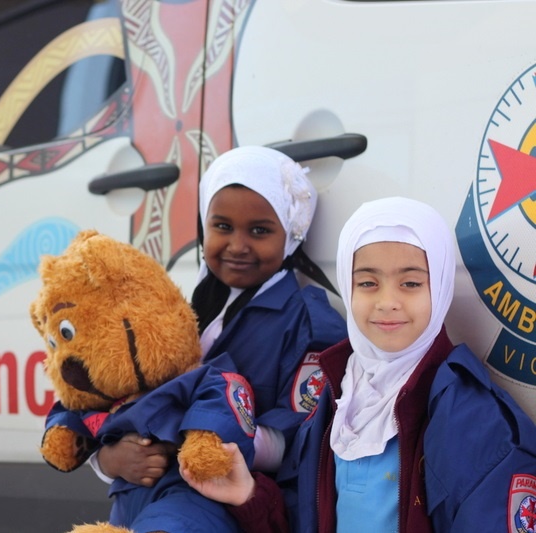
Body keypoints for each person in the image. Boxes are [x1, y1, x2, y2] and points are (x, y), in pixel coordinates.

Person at [181, 196, 536, 532]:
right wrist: (248, 495)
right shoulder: (338, 396)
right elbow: (306, 517)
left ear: (440, 286)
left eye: (411, 283)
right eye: (367, 283)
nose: (387, 302)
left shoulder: (474, 421)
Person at [91, 145, 347, 486]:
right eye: (223, 226)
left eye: (259, 231)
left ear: (290, 235)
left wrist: (196, 434)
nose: (238, 245)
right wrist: (109, 459)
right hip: (148, 500)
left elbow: (301, 442)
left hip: (235, 509)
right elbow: (113, 403)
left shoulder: (308, 325)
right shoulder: (175, 312)